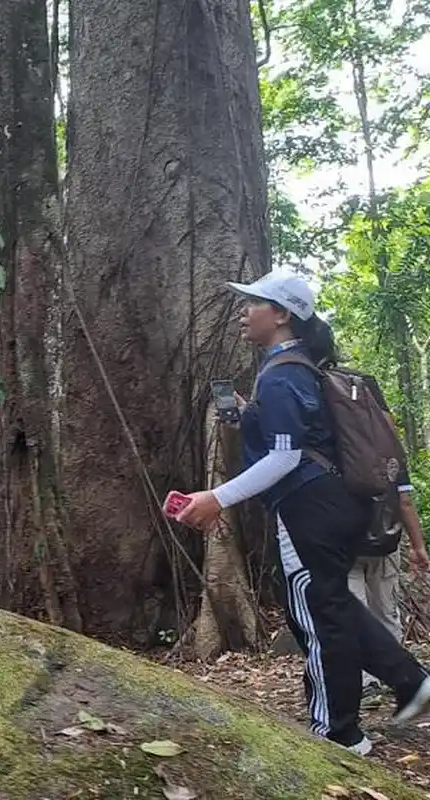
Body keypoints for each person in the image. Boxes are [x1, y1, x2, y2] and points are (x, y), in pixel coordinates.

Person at [175, 271, 430, 756]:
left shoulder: (283, 373)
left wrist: (217, 497)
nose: (243, 313)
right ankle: (409, 683)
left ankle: (337, 732)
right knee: (332, 605)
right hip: (334, 501)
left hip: (310, 505)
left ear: (283, 315)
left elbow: (284, 457)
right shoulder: (296, 368)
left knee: (316, 613)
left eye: (254, 303)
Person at [341, 375, 430, 706]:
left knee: (356, 612)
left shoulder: (342, 445)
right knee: (386, 611)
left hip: (348, 541)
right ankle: (397, 679)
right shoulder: (392, 449)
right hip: (387, 541)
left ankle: (364, 681)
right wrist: (419, 547)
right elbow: (405, 502)